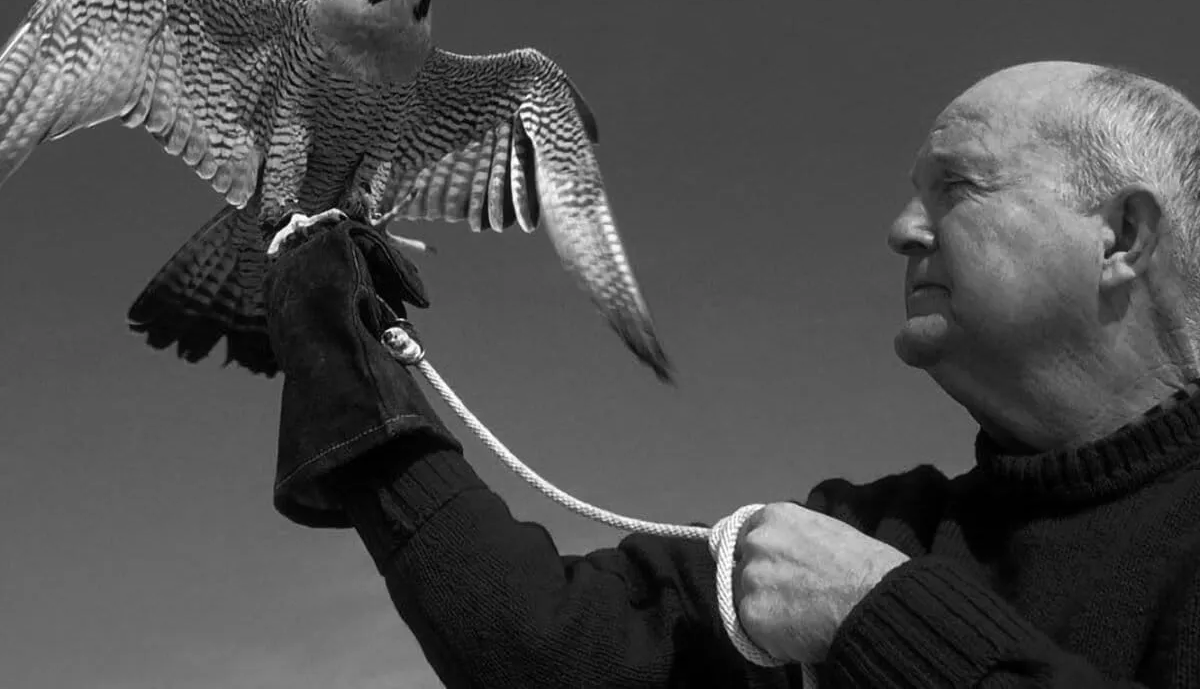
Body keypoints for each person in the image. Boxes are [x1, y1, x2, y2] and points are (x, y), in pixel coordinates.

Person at [261, 61, 1200, 687]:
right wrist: (355, 381)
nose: (901, 230)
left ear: (1120, 236)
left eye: (955, 187)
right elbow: (542, 647)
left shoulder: (867, 572)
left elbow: (878, 608)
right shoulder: (876, 531)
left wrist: (882, 616)